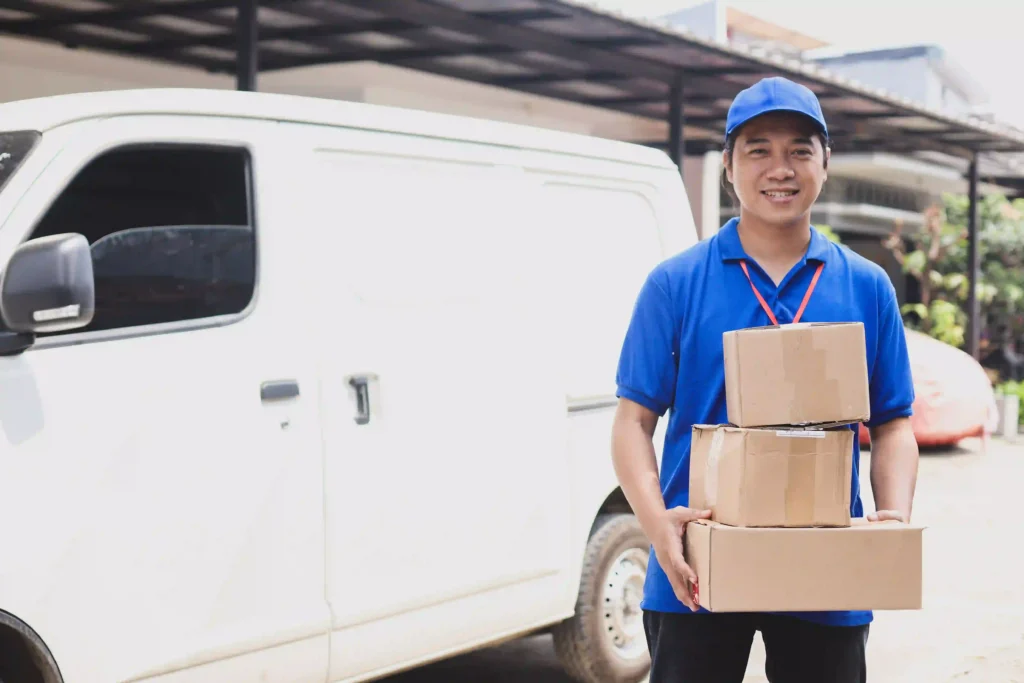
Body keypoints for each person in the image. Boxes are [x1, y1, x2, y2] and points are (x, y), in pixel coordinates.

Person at [611, 76, 920, 683]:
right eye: (759, 150)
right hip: (697, 564)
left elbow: (893, 423)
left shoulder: (866, 285)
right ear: (729, 166)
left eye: (800, 150)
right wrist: (656, 522)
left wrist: (893, 517)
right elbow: (632, 422)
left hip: (825, 563)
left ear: (825, 163)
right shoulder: (676, 283)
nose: (781, 168)